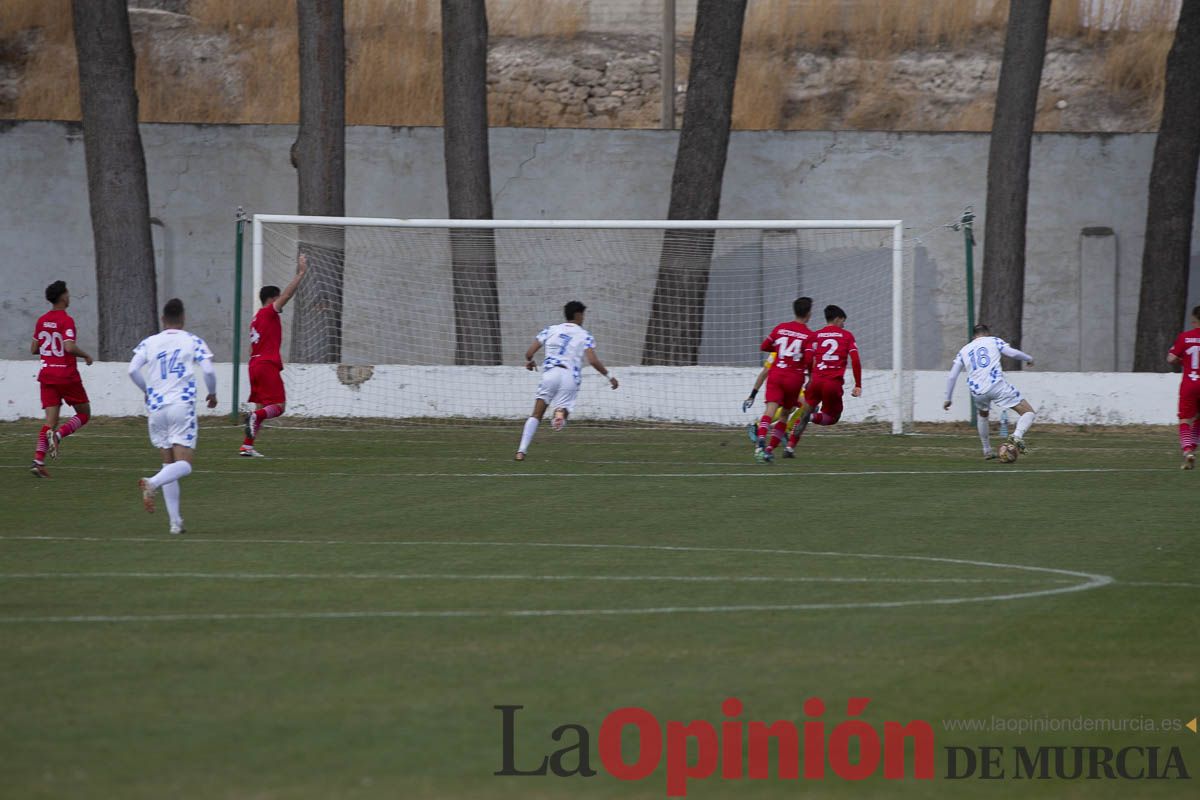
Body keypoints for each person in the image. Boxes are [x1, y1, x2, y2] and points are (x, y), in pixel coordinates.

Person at [128, 299, 217, 535]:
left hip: (156, 408)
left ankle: (175, 523)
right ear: (183, 318)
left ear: (162, 319)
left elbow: (132, 370)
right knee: (184, 464)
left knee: (169, 464)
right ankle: (153, 483)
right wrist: (213, 393)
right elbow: (208, 369)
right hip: (181, 405)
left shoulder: (150, 342)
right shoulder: (192, 340)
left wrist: (146, 391)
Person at [516, 300, 618, 461]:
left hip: (550, 374)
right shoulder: (585, 335)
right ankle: (560, 413)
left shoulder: (551, 329)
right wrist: (609, 376)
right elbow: (592, 361)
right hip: (570, 376)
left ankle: (521, 451)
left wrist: (530, 361)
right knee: (564, 408)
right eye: (583, 314)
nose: (583, 318)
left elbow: (529, 353)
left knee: (536, 414)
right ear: (578, 315)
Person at [241, 251, 308, 457]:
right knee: (279, 407)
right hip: (266, 364)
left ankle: (247, 446)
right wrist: (301, 273)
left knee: (262, 407)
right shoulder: (269, 312)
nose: (281, 301)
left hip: (254, 365)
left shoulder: (256, 318)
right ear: (272, 299)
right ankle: (253, 417)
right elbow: (288, 295)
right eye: (277, 298)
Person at [30, 280, 94, 478]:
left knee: (50, 421)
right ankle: (58, 436)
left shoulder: (41, 320)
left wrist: (49, 351)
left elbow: (33, 349)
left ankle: (38, 462)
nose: (69, 296)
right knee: (84, 414)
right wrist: (85, 355)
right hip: (66, 376)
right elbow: (68, 347)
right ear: (63, 297)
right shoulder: (66, 320)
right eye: (68, 292)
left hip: (47, 375)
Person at [943, 323, 1036, 458]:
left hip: (977, 391)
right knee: (1028, 412)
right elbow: (1012, 353)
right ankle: (1016, 436)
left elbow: (952, 376)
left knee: (983, 414)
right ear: (987, 332)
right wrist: (1029, 358)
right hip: (996, 385)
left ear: (973, 336)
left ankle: (986, 450)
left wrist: (948, 398)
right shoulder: (993, 340)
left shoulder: (963, 350)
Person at [751, 297, 814, 463]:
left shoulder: (781, 328)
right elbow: (808, 360)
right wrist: (811, 378)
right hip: (794, 378)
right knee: (785, 414)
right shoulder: (808, 335)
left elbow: (764, 346)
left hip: (776, 374)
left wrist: (779, 349)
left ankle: (760, 446)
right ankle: (770, 449)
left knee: (769, 411)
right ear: (808, 314)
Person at [797, 304, 862, 430]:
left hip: (815, 381)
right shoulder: (847, 335)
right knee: (834, 416)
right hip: (832, 383)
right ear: (837, 319)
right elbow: (855, 360)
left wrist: (810, 377)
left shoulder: (815, 335)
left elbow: (808, 359)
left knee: (803, 407)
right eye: (843, 321)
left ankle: (789, 445)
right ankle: (809, 418)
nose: (843, 325)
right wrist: (858, 384)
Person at [1166, 306, 1200, 470]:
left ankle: (1187, 451)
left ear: (1194, 320)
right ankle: (1193, 449)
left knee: (1185, 419)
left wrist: (1182, 361)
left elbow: (1171, 358)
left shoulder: (1185, 337)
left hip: (1190, 383)